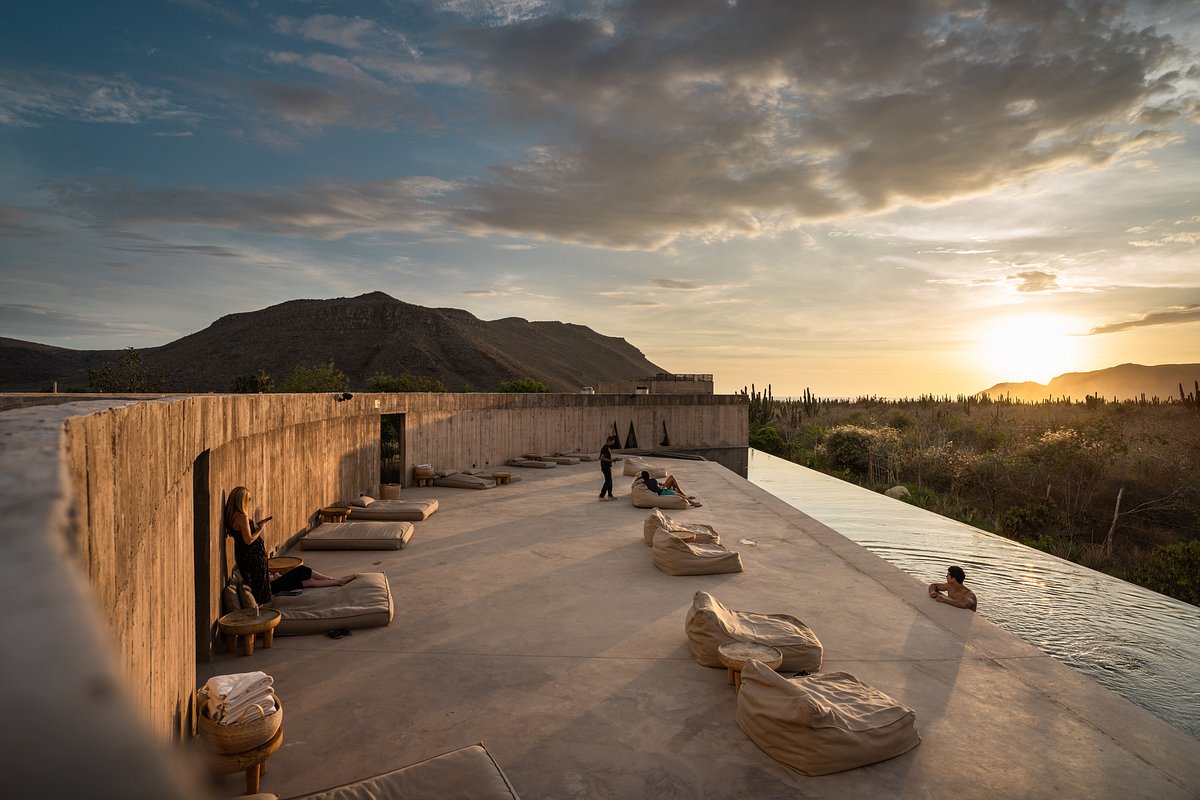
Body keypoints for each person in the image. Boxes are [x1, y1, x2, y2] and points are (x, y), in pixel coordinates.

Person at [224, 487, 356, 604]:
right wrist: (260, 529)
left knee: (304, 577)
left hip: (253, 564)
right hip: (257, 566)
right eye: (248, 500)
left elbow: (242, 539)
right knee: (302, 573)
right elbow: (248, 540)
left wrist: (271, 576)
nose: (249, 503)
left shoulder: (231, 517)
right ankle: (336, 581)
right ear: (241, 500)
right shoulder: (241, 517)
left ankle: (335, 580)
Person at [598, 434, 619, 500]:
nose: (613, 443)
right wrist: (611, 460)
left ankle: (610, 495)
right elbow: (601, 458)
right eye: (613, 441)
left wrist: (614, 459)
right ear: (610, 441)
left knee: (610, 481)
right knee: (608, 481)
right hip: (605, 467)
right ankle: (601, 496)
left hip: (607, 466)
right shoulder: (605, 448)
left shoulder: (608, 448)